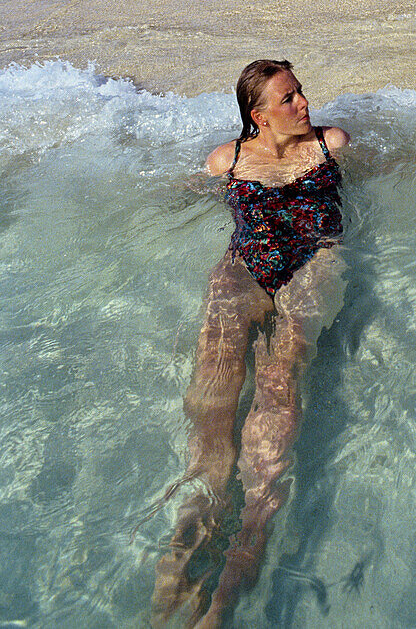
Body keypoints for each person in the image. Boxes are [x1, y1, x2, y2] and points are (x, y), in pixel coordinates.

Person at [152, 59, 349, 628]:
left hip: (314, 263)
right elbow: (183, 196)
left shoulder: (331, 145)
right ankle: (196, 520)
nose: (304, 104)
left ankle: (238, 563)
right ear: (258, 116)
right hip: (243, 269)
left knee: (278, 387)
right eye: (289, 99)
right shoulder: (228, 160)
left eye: (302, 92)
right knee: (212, 399)